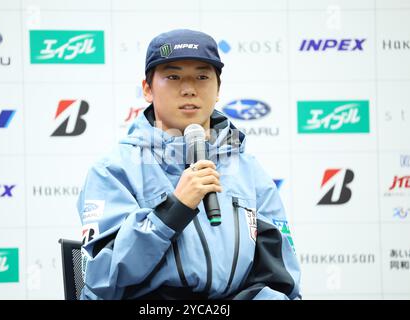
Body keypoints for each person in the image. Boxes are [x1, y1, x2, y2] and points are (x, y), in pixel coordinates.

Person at [77, 29, 302, 300]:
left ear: (218, 89)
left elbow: (281, 275)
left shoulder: (248, 170)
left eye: (202, 76)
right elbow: (103, 278)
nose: (189, 89)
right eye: (173, 76)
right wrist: (173, 210)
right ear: (147, 89)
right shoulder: (113, 170)